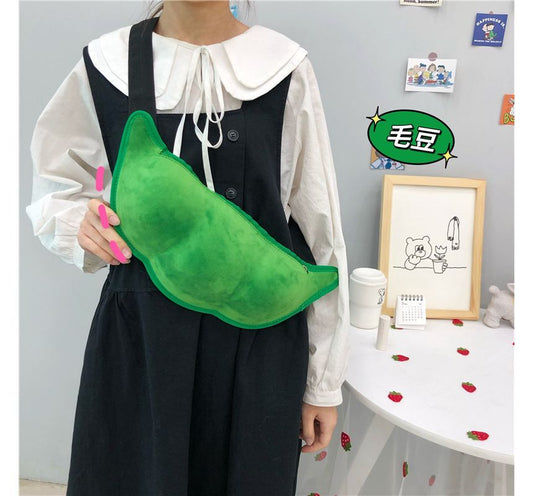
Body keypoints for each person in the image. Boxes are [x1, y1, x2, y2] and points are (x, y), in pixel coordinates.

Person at [25, 1, 350, 495]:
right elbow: (58, 184)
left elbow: (321, 228)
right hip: (142, 341)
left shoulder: (284, 67)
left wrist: (322, 383)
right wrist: (82, 222)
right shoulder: (106, 64)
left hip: (259, 346)